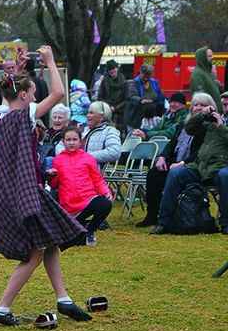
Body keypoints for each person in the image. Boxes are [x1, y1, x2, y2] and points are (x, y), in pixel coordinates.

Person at [0, 45, 91, 326]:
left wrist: (21, 70)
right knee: (34, 253)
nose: (35, 95)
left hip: (10, 191)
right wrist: (51, 61)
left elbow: (10, 90)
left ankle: (64, 299)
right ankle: (2, 308)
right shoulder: (24, 115)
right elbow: (58, 95)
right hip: (23, 193)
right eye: (32, 92)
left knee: (51, 242)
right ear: (24, 96)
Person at [136, 93, 213, 227]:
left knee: (174, 174)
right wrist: (162, 157)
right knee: (154, 174)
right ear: (191, 108)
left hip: (194, 165)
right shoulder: (184, 124)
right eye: (196, 105)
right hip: (175, 162)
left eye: (203, 105)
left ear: (211, 108)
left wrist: (183, 163)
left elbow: (201, 152)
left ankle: (167, 218)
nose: (199, 108)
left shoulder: (210, 126)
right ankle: (152, 215)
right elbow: (171, 144)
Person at [151, 102, 228, 235]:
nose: (226, 107)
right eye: (224, 104)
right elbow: (189, 128)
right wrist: (202, 115)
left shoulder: (220, 123)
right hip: (200, 166)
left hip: (221, 166)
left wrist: (221, 127)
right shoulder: (210, 122)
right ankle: (164, 222)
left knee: (225, 175)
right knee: (176, 172)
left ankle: (226, 223)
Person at [48, 127, 113, 246]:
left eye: (74, 139)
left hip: (87, 200)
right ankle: (81, 230)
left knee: (105, 204)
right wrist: (52, 176)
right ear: (63, 141)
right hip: (69, 207)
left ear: (80, 141)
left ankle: (91, 230)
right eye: (68, 140)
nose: (71, 142)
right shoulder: (58, 160)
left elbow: (97, 179)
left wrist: (105, 192)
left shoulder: (88, 158)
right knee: (66, 242)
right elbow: (54, 185)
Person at [82, 101, 121, 168]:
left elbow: (114, 152)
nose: (87, 115)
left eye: (91, 113)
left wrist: (87, 157)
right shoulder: (84, 130)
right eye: (88, 113)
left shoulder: (109, 131)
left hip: (97, 174)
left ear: (102, 116)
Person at [189, 47, 223, 113]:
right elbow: (200, 99)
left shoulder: (208, 73)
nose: (212, 58)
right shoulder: (198, 74)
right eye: (209, 56)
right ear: (203, 58)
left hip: (214, 113)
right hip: (207, 115)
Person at [97, 59, 127, 128]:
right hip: (108, 110)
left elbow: (126, 98)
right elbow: (100, 97)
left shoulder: (123, 80)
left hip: (121, 111)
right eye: (110, 71)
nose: (112, 73)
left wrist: (116, 108)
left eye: (114, 70)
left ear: (117, 69)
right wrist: (108, 107)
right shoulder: (105, 81)